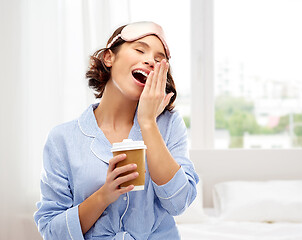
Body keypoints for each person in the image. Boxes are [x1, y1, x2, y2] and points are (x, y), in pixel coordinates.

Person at [34, 21, 199, 240]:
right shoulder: (62, 139)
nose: (151, 61)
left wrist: (147, 122)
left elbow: (178, 203)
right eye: (140, 49)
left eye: (159, 60)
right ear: (109, 58)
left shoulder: (169, 125)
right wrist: (104, 195)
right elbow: (52, 231)